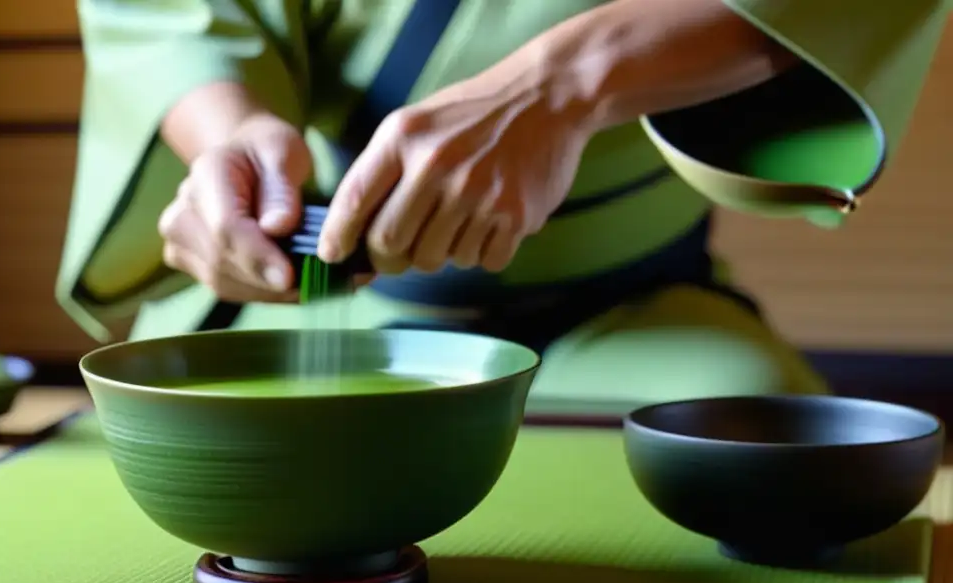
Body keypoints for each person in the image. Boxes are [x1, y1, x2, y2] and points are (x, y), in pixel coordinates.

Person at [58, 0, 950, 412]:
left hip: (630, 312)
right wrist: (231, 136)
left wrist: (563, 84)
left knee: (759, 452)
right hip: (328, 291)